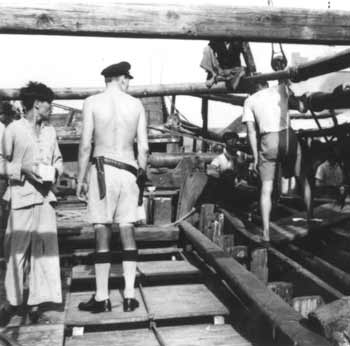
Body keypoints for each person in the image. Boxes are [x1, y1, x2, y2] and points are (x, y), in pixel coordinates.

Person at [77, 61, 149, 313]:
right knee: (128, 228)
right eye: (127, 78)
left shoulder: (92, 103)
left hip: (102, 170)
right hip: (129, 171)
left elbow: (86, 144)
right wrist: (141, 177)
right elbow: (144, 148)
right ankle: (129, 296)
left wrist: (80, 178)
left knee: (101, 230)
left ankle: (102, 297)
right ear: (118, 78)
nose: (129, 83)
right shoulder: (136, 104)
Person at [0, 82, 63, 325]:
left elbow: (58, 160)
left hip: (45, 199)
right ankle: (13, 303)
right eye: (49, 103)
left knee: (43, 252)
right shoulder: (14, 129)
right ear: (37, 103)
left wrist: (55, 171)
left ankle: (38, 302)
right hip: (20, 199)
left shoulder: (50, 132)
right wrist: (22, 168)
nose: (51, 108)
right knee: (16, 252)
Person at [242, 81, 313, 241]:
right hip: (288, 137)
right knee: (303, 179)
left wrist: (255, 157)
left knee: (266, 189)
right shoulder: (281, 89)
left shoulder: (249, 100)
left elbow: (251, 132)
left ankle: (266, 232)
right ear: (266, 84)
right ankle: (310, 218)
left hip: (268, 140)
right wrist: (306, 98)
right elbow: (302, 108)